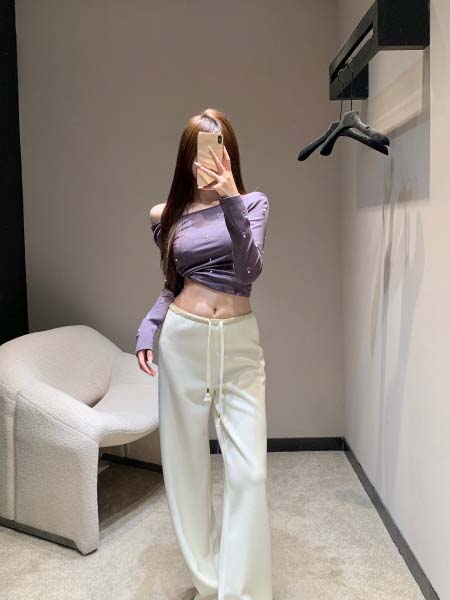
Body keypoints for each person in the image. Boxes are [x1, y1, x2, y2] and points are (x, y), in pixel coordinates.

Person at [135, 108, 272, 600]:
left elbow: (249, 271)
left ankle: (242, 592)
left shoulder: (252, 203)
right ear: (186, 156)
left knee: (250, 474)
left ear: (229, 153)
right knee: (186, 466)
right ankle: (210, 582)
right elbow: (172, 284)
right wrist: (149, 326)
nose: (208, 158)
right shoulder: (165, 216)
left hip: (238, 344)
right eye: (200, 149)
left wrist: (230, 196)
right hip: (183, 339)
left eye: (218, 148)